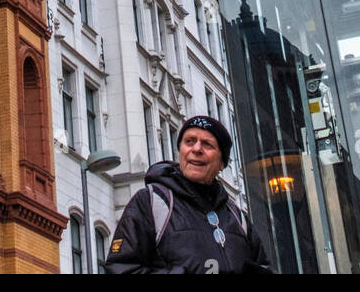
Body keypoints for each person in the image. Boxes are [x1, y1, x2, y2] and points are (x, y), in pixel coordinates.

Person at [104, 115, 272, 274]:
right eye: (189, 141)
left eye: (207, 144)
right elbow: (121, 268)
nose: (196, 149)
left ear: (222, 163)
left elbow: (263, 267)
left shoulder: (238, 217)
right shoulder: (151, 202)